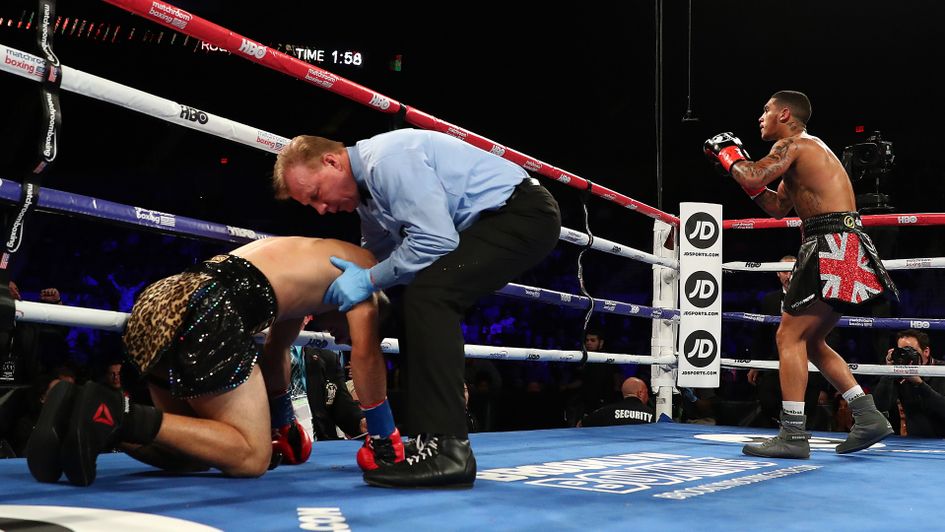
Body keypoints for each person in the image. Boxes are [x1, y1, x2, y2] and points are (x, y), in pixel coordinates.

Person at [273, 128, 561, 487]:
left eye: (316, 195)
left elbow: (436, 242)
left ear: (332, 161)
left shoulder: (388, 161)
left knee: (430, 295)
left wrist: (367, 281)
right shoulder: (368, 199)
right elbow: (372, 256)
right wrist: (331, 296)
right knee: (412, 304)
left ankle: (449, 449)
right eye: (310, 205)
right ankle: (428, 441)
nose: (321, 209)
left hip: (519, 214)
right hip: (489, 224)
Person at [25, 237, 399, 486]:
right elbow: (366, 358)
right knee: (251, 458)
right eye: (344, 332)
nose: (337, 338)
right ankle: (116, 411)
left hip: (160, 297)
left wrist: (284, 427)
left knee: (194, 451)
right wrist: (385, 438)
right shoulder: (363, 273)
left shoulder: (302, 274)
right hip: (211, 307)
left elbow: (275, 355)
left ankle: (84, 415)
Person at [704, 90, 897, 459]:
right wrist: (738, 171)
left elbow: (751, 174)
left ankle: (793, 433)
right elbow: (776, 207)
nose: (760, 117)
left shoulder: (794, 145)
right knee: (812, 341)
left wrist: (730, 155)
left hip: (830, 242)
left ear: (785, 114)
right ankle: (867, 415)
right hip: (842, 242)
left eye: (766, 110)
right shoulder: (805, 152)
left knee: (787, 336)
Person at [748, 255, 830, 429]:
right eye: (785, 271)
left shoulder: (815, 299)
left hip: (808, 359)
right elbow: (761, 335)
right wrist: (755, 362)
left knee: (807, 406)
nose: (789, 275)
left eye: (793, 271)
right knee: (768, 400)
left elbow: (827, 335)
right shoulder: (769, 300)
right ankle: (784, 430)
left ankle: (796, 433)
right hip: (775, 361)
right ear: (777, 273)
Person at [873, 329, 945, 437]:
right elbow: (879, 407)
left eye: (910, 350)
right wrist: (889, 372)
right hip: (912, 442)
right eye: (902, 351)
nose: (906, 355)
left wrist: (920, 384)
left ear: (926, 351)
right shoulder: (899, 373)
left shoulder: (941, 371)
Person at [578, 377, 655, 427]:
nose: (648, 397)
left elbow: (580, 425)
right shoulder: (652, 414)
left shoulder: (606, 411)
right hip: (641, 449)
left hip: (612, 449)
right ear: (640, 393)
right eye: (646, 392)